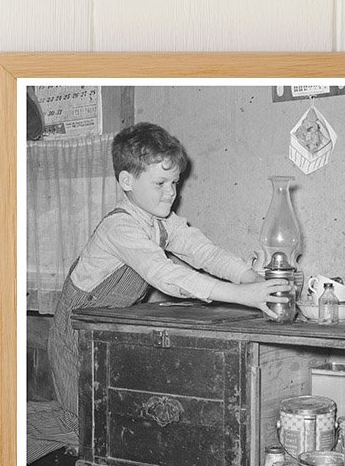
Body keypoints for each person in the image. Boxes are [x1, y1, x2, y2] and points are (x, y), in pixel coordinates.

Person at [48, 122, 287, 439]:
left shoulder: (163, 222)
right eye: (160, 182)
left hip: (106, 329)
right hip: (73, 334)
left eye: (174, 182)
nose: (171, 192)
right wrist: (243, 296)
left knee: (108, 421)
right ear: (127, 181)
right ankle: (7, 434)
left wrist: (251, 278)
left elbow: (205, 253)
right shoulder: (120, 228)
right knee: (80, 426)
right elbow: (167, 276)